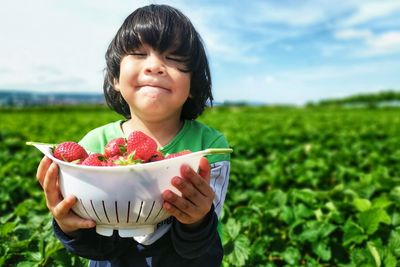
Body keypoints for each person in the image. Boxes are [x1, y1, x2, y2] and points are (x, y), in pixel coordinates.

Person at [36, 4, 231, 267]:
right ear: (115, 78)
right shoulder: (94, 145)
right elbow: (96, 245)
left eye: (174, 58)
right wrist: (69, 225)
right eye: (139, 53)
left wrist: (197, 219)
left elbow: (201, 244)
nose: (155, 66)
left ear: (193, 85)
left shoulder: (208, 148)